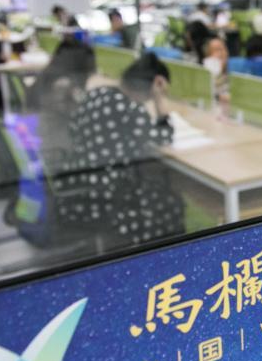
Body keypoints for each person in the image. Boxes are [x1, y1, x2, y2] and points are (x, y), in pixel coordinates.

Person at [52, 53, 185, 246]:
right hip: (103, 195)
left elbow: (73, 129)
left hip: (75, 183)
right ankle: (156, 255)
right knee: (169, 202)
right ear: (154, 86)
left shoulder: (97, 93)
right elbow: (164, 137)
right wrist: (159, 101)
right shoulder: (130, 109)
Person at [201, 36, 230, 102]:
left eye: (222, 49)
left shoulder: (232, 65)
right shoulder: (208, 63)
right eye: (216, 50)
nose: (220, 53)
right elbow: (214, 84)